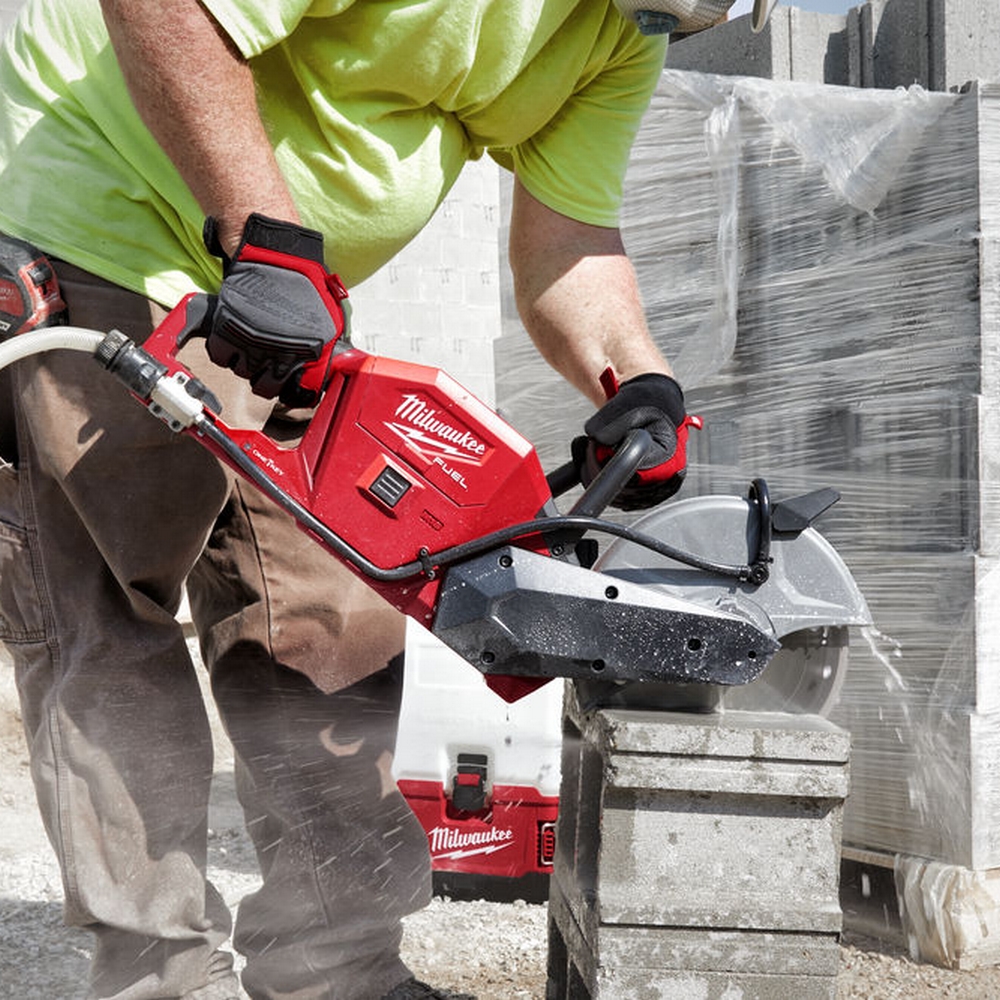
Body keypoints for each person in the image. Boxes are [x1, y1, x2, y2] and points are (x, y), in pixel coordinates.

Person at [0, 0, 761, 996]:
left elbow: (568, 240)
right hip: (108, 216)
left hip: (281, 281)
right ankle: (159, 973)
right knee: (108, 616)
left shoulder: (624, 32)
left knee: (329, 622)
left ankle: (335, 970)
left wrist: (636, 378)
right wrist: (268, 240)